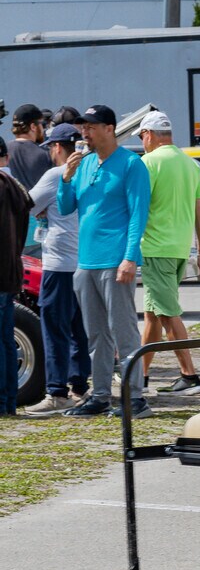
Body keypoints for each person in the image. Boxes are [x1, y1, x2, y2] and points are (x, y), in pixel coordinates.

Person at [56, 105, 153, 417]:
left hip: (115, 260)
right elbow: (67, 205)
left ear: (110, 128)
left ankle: (134, 398)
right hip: (86, 262)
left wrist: (129, 258)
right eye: (84, 127)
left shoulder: (131, 164)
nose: (85, 132)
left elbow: (138, 214)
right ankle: (100, 396)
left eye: (92, 127)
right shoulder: (83, 164)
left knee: (124, 331)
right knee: (95, 334)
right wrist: (66, 178)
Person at [134, 111, 200, 396]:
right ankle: (140, 376)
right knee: (153, 314)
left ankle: (190, 376)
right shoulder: (189, 164)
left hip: (155, 248)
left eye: (142, 136)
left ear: (150, 135)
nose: (143, 142)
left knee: (167, 314)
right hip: (179, 249)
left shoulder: (148, 163)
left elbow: (138, 209)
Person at [19, 124, 95, 415]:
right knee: (80, 330)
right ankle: (79, 388)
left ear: (59, 147)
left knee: (54, 329)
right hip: (84, 261)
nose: (50, 151)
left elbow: (26, 204)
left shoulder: (55, 175)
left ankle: (56, 393)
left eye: (51, 146)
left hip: (58, 263)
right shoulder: (91, 173)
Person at [0, 137, 27, 414]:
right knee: (6, 340)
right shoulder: (15, 187)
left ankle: (3, 404)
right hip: (11, 271)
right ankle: (7, 403)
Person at [7, 104, 53, 190]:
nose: (43, 128)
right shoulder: (45, 154)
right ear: (33, 127)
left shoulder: (4, 152)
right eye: (41, 124)